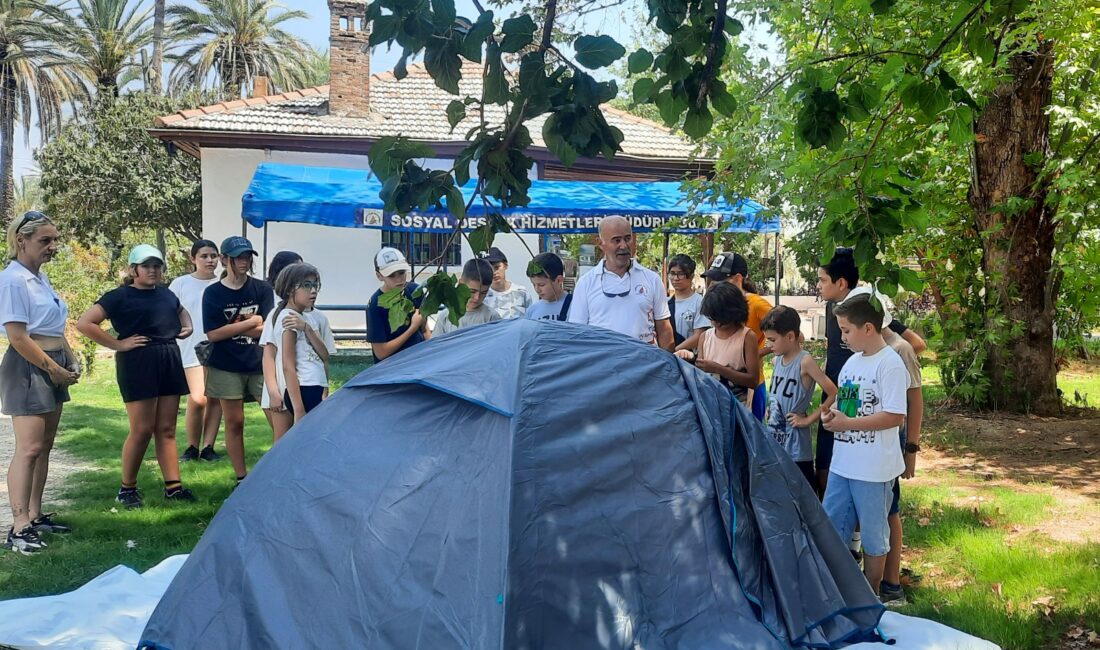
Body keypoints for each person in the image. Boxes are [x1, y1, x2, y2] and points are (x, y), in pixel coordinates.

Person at [78, 245, 196, 509]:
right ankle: (127, 488)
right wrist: (117, 345)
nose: (153, 270)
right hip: (138, 361)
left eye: (157, 265)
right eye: (146, 266)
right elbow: (85, 323)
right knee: (142, 429)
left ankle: (173, 488)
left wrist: (187, 326)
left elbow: (181, 311)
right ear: (133, 270)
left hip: (168, 357)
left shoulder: (166, 295)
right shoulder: (119, 297)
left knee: (166, 428)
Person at [815, 248, 927, 498]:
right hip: (841, 413)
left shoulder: (884, 341)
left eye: (822, 279)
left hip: (873, 432)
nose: (845, 335)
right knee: (831, 479)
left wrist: (910, 448)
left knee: (880, 506)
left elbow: (913, 347)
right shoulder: (834, 309)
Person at [0, 212, 79, 554]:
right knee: (29, 447)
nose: (53, 247)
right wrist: (52, 368)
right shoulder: (13, 280)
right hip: (29, 367)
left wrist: (70, 357)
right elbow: (18, 337)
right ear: (22, 241)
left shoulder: (40, 278)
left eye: (54, 240)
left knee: (45, 445)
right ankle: (18, 526)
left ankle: (34, 515)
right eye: (45, 240)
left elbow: (53, 328)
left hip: (53, 363)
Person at [821, 293, 908, 598]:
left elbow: (896, 416)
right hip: (843, 465)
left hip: (874, 470)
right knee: (831, 529)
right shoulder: (851, 364)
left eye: (846, 330)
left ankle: (870, 596)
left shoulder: (891, 364)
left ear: (868, 328)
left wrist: (848, 424)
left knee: (873, 538)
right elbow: (847, 407)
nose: (842, 337)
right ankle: (839, 595)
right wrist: (832, 417)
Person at [202, 236, 273, 486]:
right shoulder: (213, 293)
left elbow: (266, 329)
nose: (243, 262)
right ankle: (241, 477)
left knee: (277, 415)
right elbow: (212, 334)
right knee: (235, 421)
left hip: (260, 362)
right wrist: (249, 323)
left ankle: (278, 472)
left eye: (247, 257)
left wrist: (232, 328)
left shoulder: (262, 289)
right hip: (226, 365)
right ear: (224, 259)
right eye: (237, 257)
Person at [568, 216, 674, 350]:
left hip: (644, 364)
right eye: (616, 240)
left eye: (627, 238)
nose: (623, 245)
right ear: (600, 243)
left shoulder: (652, 279)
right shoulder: (586, 283)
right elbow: (577, 334)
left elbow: (664, 329)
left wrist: (669, 365)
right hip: (603, 365)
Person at [760, 306, 837, 487]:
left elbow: (832, 392)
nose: (769, 345)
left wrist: (809, 419)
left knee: (801, 494)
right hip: (775, 439)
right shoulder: (777, 359)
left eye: (772, 340)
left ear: (790, 336)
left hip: (796, 448)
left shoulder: (805, 361)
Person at [260, 263, 335, 440]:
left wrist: (307, 329)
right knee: (298, 445)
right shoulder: (287, 319)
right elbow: (288, 366)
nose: (313, 291)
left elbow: (324, 355)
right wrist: (299, 410)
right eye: (307, 285)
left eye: (315, 285)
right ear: (289, 290)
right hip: (303, 388)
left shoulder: (303, 319)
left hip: (313, 386)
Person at [881, 322, 925, 606]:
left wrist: (911, 449)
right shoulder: (864, 352)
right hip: (867, 445)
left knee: (890, 509)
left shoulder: (901, 350)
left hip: (893, 440)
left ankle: (892, 584)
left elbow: (914, 400)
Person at [701, 252, 772, 420]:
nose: (715, 284)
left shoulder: (757, 304)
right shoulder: (714, 308)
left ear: (738, 278)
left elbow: (789, 334)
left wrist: (758, 352)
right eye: (713, 280)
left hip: (747, 393)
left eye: (721, 280)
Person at [170, 240, 224, 463]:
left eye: (214, 255)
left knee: (215, 398)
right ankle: (192, 446)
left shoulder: (223, 284)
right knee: (198, 398)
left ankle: (208, 447)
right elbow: (169, 312)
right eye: (204, 256)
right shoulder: (181, 283)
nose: (210, 260)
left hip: (219, 347)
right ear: (193, 259)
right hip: (190, 348)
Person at [675, 283, 759, 408]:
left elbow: (753, 381)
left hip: (738, 411)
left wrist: (719, 369)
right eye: (711, 318)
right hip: (711, 408)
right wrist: (691, 358)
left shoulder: (747, 337)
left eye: (720, 319)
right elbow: (701, 373)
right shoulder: (705, 336)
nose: (714, 323)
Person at [367, 247, 430, 363]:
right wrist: (412, 328)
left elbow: (425, 330)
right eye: (391, 275)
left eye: (402, 272)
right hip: (392, 369)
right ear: (379, 276)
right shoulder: (375, 304)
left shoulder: (415, 290)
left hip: (419, 362)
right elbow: (381, 353)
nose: (399, 279)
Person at [433, 258, 501, 335]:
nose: (477, 297)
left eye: (484, 293)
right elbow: (435, 346)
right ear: (461, 284)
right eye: (472, 291)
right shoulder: (445, 317)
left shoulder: (492, 317)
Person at [667, 254, 710, 349]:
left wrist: (674, 352)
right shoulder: (665, 303)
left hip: (689, 358)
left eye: (681, 274)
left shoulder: (699, 302)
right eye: (672, 273)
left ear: (691, 276)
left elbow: (699, 335)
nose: (676, 278)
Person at [483, 247, 532, 319]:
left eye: (497, 267)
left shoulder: (521, 292)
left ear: (505, 266)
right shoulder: (483, 296)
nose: (494, 272)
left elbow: (530, 319)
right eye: (489, 269)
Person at [525, 252, 572, 321]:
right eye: (534, 284)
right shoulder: (532, 310)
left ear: (559, 280)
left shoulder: (574, 306)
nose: (537, 290)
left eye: (541, 285)